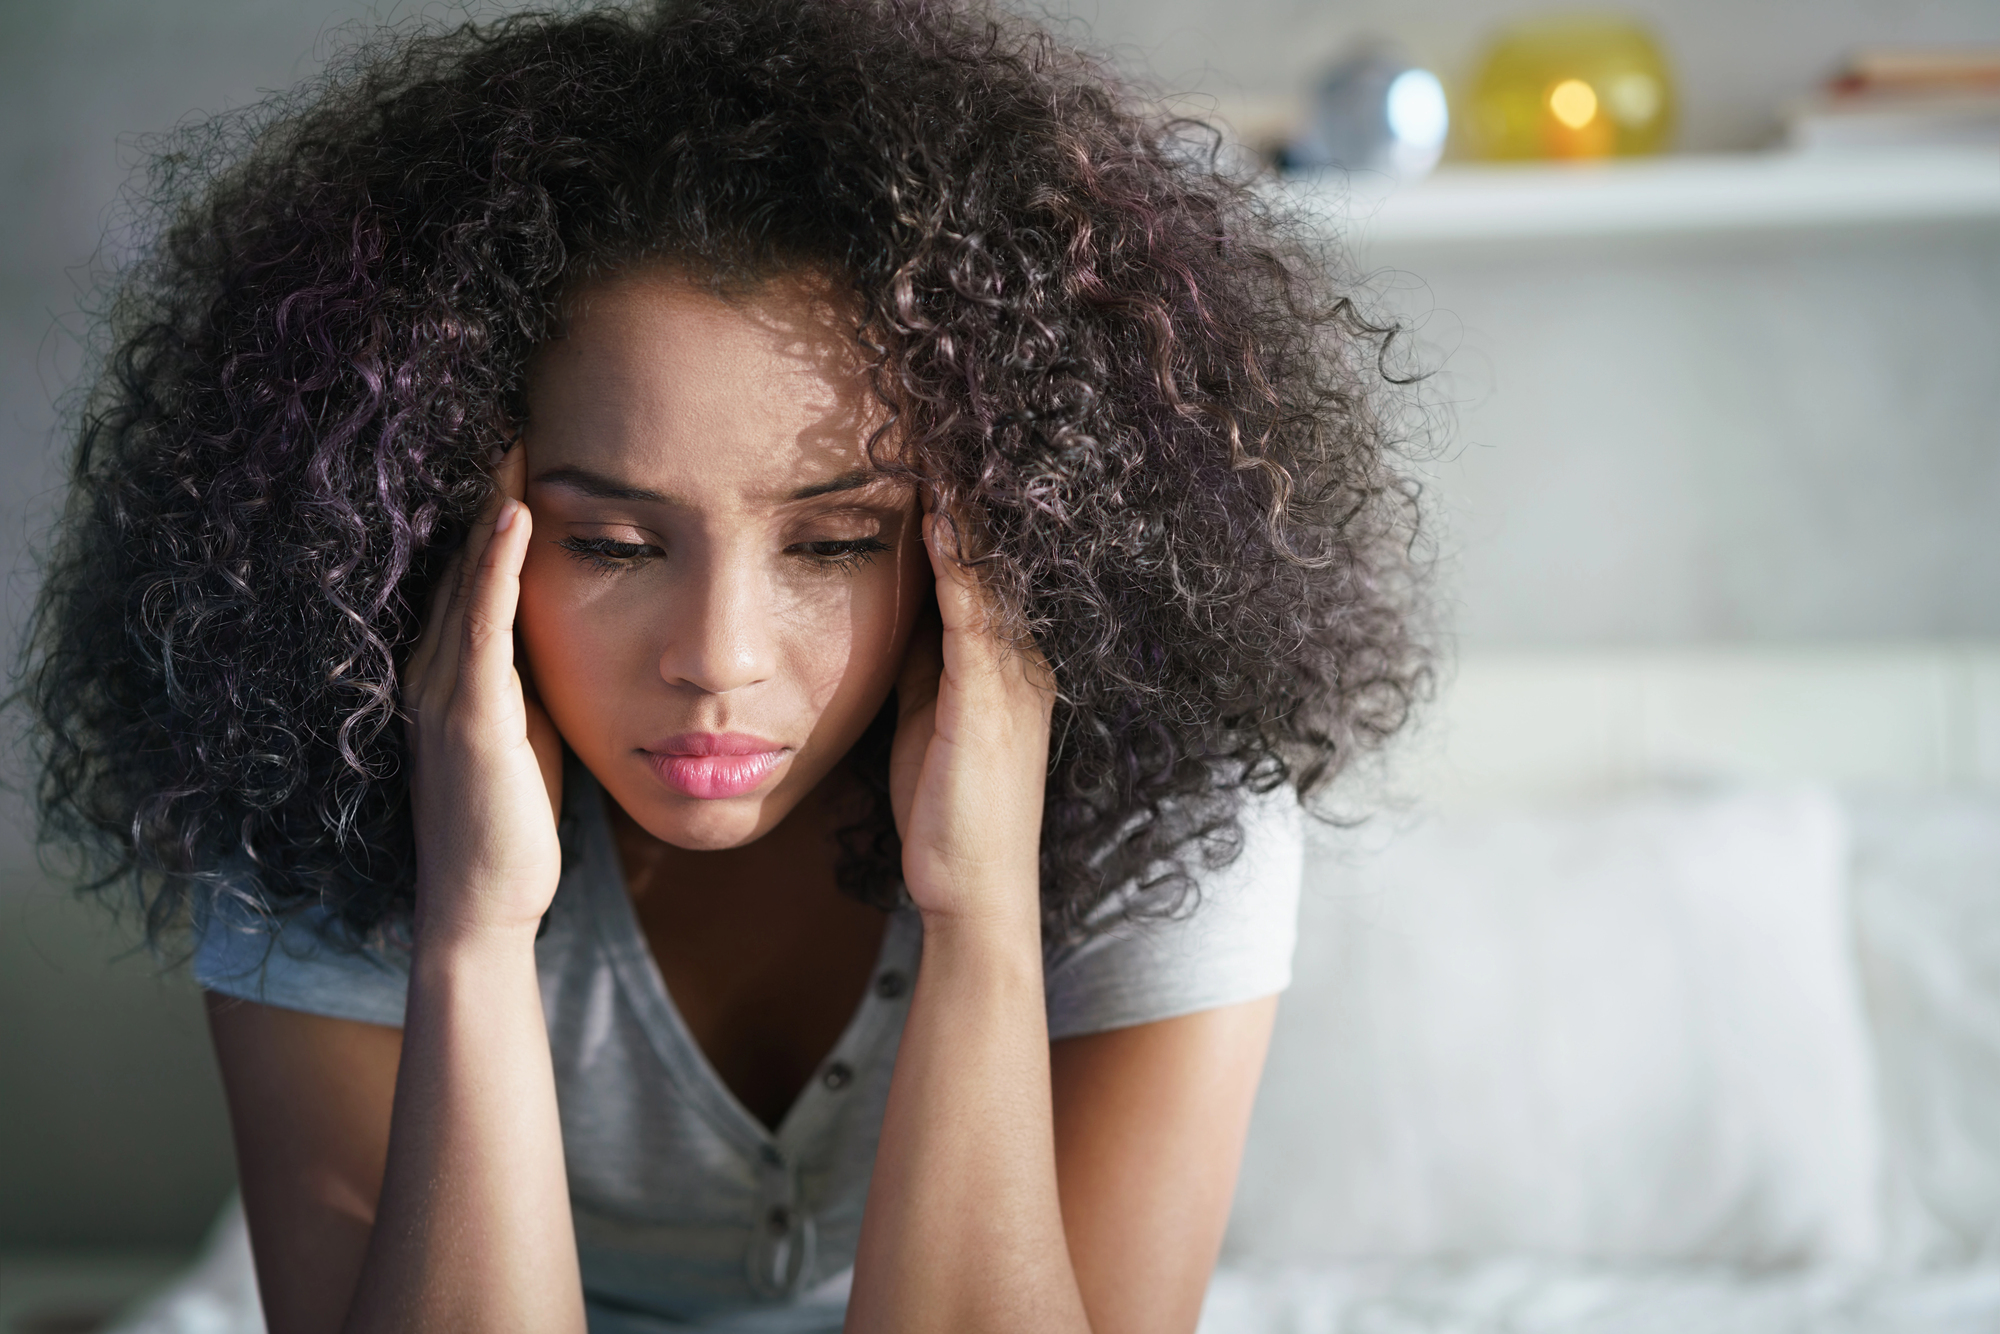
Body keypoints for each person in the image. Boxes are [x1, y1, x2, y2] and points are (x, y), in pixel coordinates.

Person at [22, 1, 1427, 1330]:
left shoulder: (1164, 811)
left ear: (997, 536)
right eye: (616, 543)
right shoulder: (306, 789)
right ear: (439, 520)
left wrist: (984, 916)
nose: (717, 659)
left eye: (832, 544)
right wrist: (471, 933)